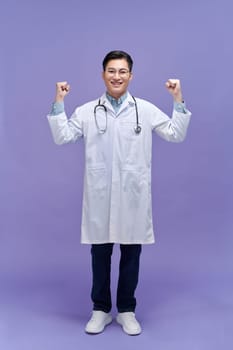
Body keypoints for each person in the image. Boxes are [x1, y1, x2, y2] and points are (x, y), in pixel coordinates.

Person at [47, 50, 191, 335]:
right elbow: (62, 136)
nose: (117, 76)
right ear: (103, 75)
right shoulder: (88, 110)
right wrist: (59, 102)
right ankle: (100, 309)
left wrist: (178, 99)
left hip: (132, 195)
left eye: (122, 71)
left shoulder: (145, 110)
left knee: (131, 254)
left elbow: (176, 133)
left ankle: (126, 310)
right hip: (100, 195)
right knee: (99, 254)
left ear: (130, 76)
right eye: (111, 71)